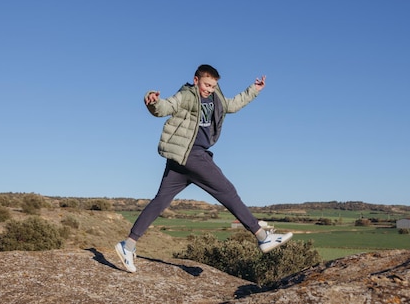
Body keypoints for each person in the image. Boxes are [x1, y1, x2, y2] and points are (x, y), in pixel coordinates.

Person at [114, 64, 292, 273]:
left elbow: (232, 105)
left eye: (213, 85)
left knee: (161, 200)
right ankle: (262, 237)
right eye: (207, 85)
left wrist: (254, 90)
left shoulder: (216, 97)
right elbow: (165, 107)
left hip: (181, 160)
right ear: (196, 80)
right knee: (227, 191)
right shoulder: (186, 95)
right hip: (192, 155)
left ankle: (128, 245)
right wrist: (152, 101)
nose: (210, 89)